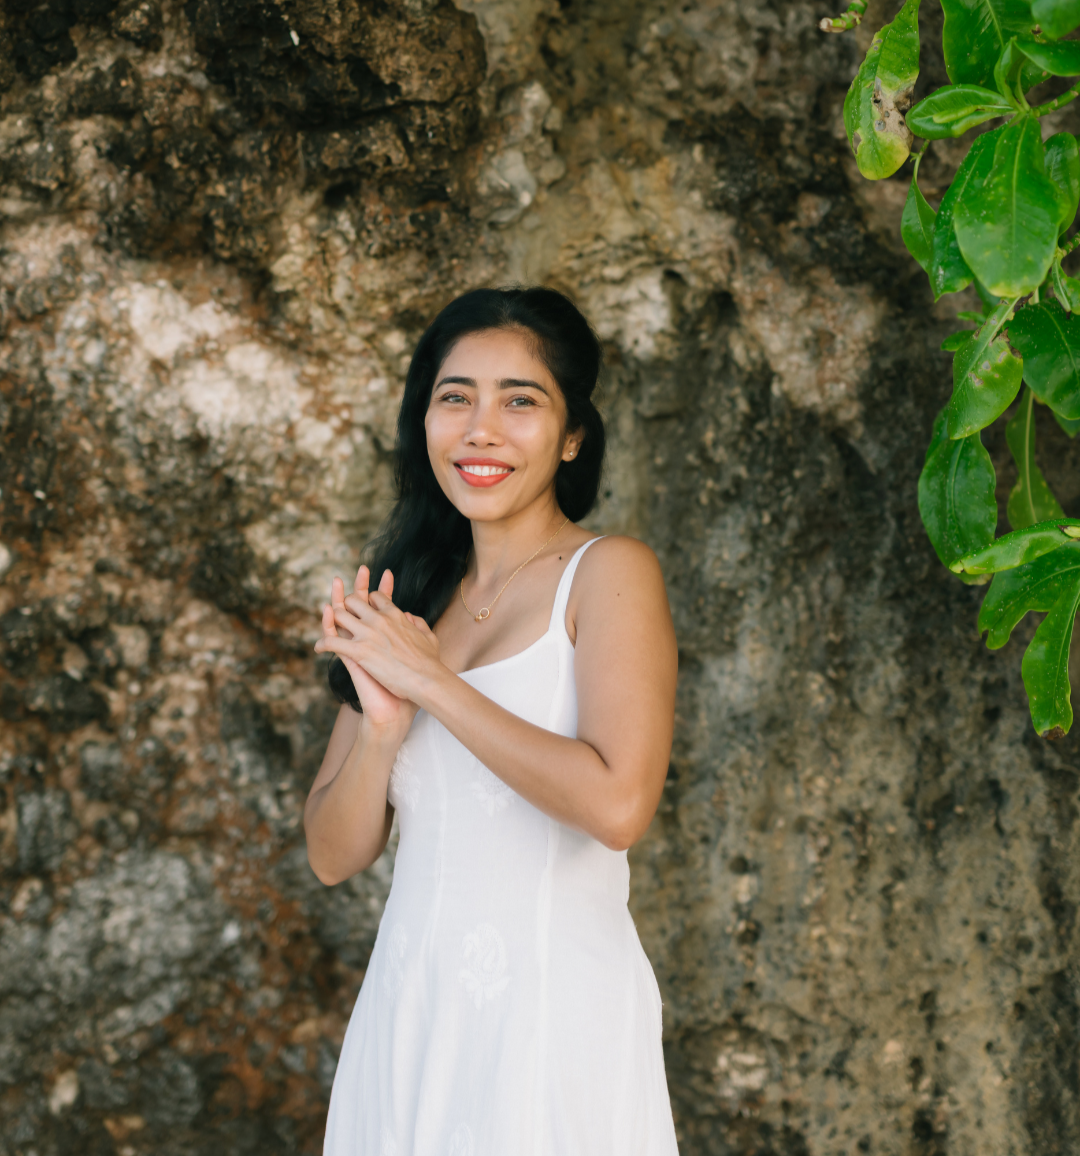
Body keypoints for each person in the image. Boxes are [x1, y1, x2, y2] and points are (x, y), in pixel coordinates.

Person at [306, 286, 680, 1155]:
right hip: (410, 1007)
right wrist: (386, 728)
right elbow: (333, 853)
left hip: (549, 1015)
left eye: (521, 401)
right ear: (423, 421)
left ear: (572, 434)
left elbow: (619, 805)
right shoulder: (407, 596)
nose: (481, 430)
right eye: (454, 397)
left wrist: (433, 685)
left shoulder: (607, 573)